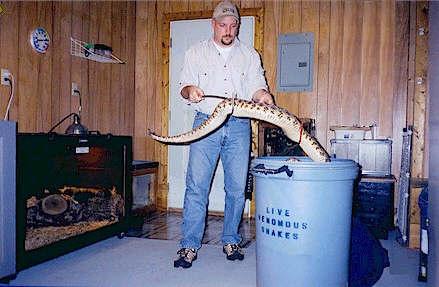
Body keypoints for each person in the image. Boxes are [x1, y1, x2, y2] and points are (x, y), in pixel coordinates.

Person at [174, 0, 274, 269]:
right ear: (213, 25)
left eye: (233, 25)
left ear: (238, 26)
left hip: (240, 124)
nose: (228, 31)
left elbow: (256, 86)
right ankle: (189, 245)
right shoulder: (196, 52)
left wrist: (263, 95)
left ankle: (231, 239)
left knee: (236, 188)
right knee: (196, 186)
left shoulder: (250, 55)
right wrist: (190, 91)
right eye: (223, 25)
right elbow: (183, 86)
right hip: (206, 122)